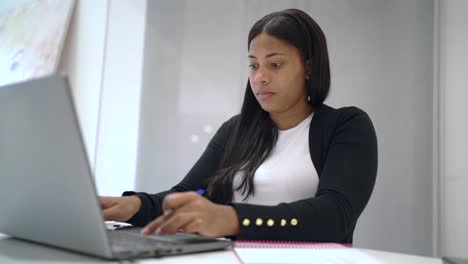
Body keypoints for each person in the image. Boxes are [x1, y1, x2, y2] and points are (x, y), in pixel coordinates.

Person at [100, 8, 377, 243]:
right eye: (254, 66)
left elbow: (335, 215)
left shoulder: (347, 126)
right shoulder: (235, 131)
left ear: (308, 67)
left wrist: (233, 219)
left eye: (275, 65)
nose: (260, 78)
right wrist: (133, 206)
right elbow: (189, 194)